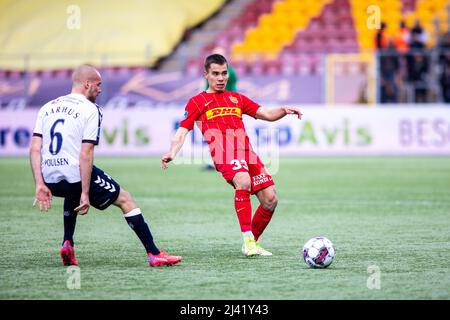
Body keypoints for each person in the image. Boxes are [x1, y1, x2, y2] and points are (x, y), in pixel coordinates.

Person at [29, 64, 182, 267]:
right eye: (98, 85)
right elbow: (86, 153)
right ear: (87, 84)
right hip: (75, 175)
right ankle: (154, 254)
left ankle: (68, 243)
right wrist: (85, 192)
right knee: (125, 199)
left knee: (70, 190)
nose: (100, 89)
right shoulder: (91, 110)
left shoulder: (47, 107)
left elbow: (34, 148)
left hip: (50, 179)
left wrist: (39, 183)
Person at [161, 54, 302, 257]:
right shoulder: (197, 102)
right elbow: (182, 130)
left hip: (248, 153)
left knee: (270, 200)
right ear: (206, 75)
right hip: (224, 153)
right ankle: (248, 242)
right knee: (243, 181)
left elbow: (267, 114)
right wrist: (172, 152)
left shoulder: (237, 98)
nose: (221, 78)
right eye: (216, 74)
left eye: (224, 73)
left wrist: (283, 110)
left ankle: (251, 242)